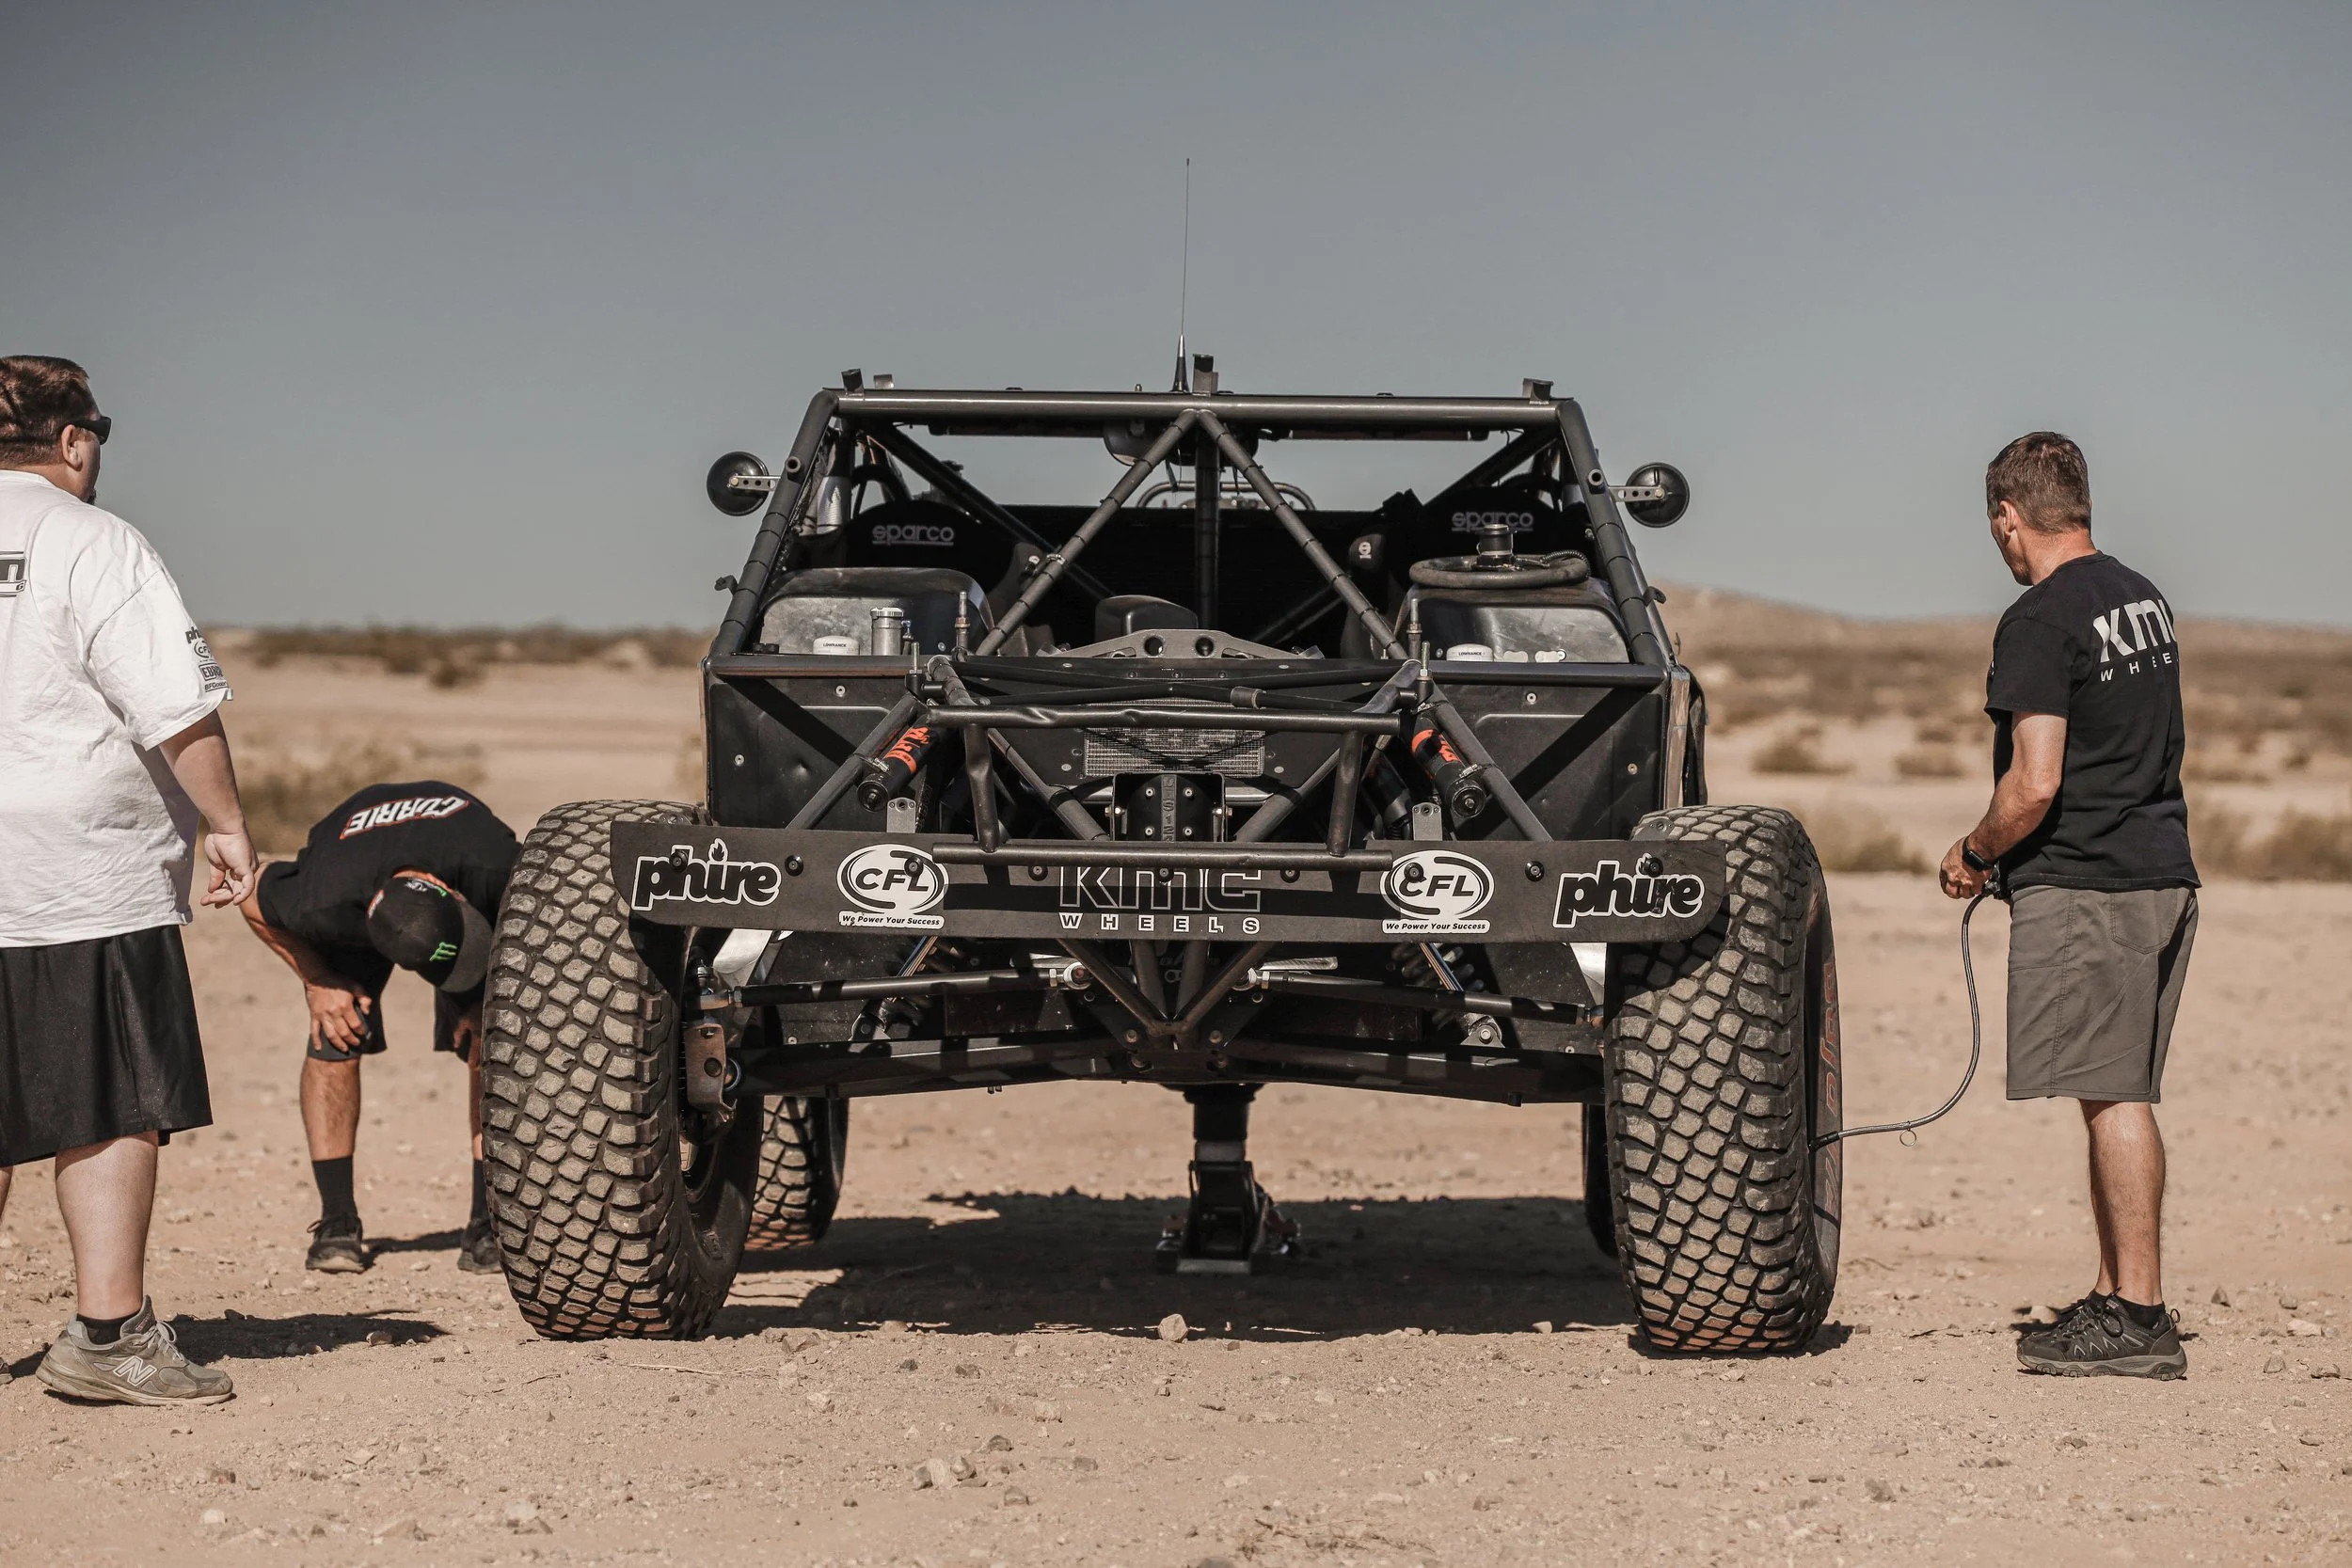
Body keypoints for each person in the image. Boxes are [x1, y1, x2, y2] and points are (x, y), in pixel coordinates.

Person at [0, 356, 255, 1404]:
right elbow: (173, 706)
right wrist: (228, 825)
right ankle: (107, 1336)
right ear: (74, 440)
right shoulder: (93, 539)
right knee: (105, 1094)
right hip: (74, 868)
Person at [1940, 432, 2198, 1380]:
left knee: (2112, 1093)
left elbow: (2033, 782)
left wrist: (1972, 852)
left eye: (1994, 524)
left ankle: (2136, 1313)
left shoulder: (2040, 618)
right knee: (2112, 1086)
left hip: (2096, 885)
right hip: (2162, 871)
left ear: (2009, 517)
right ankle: (2112, 1293)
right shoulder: (2140, 596)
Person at [239, 782, 516, 1273]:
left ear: (452, 891)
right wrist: (318, 979)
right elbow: (252, 894)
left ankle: (487, 1223)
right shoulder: (321, 898)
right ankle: (337, 1223)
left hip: (456, 865)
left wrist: (486, 1003)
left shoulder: (493, 866)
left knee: (494, 1042)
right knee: (336, 1030)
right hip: (357, 885)